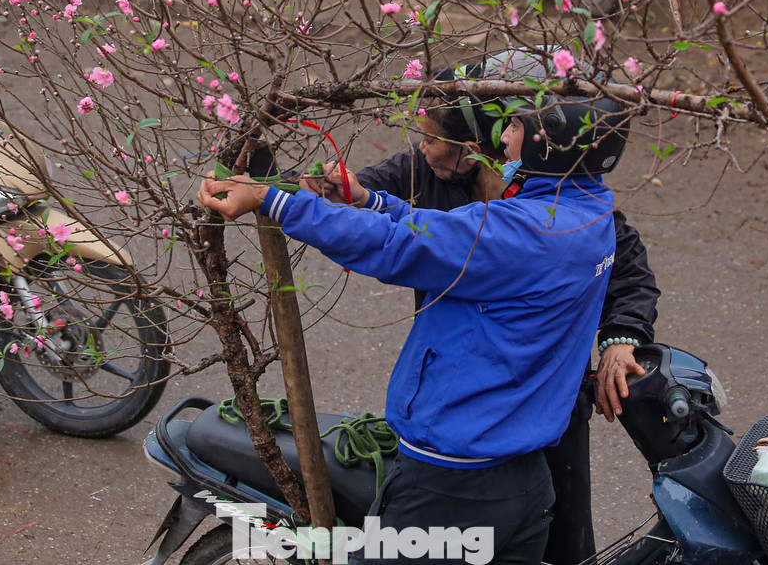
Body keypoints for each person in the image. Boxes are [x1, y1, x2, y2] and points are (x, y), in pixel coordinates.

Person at [199, 93, 630, 565]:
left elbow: (397, 247)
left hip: (454, 487)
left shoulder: (525, 232)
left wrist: (272, 200)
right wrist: (371, 200)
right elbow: (451, 233)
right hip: (525, 480)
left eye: (516, 129)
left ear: (551, 149)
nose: (503, 138)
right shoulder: (587, 214)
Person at [356, 97, 659, 564]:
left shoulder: (562, 199)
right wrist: (281, 192)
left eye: (433, 139)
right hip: (464, 411)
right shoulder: (423, 172)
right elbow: (350, 196)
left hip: (545, 412)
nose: (423, 150)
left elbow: (629, 271)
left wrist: (622, 338)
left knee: (561, 543)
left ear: (477, 145)